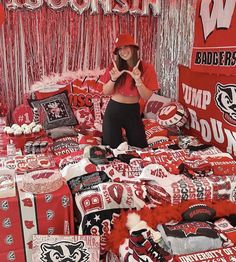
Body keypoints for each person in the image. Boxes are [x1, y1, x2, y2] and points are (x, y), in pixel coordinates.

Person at [100, 33, 159, 149]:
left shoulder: (147, 67)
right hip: (114, 111)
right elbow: (105, 92)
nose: (123, 51)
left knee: (140, 148)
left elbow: (146, 97)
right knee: (112, 149)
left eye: (126, 47)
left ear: (133, 48)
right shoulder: (115, 67)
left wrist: (138, 80)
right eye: (119, 49)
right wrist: (113, 79)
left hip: (133, 111)